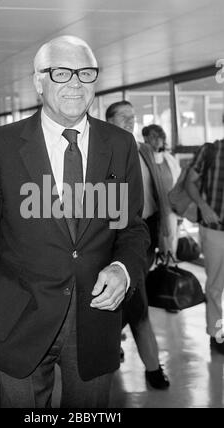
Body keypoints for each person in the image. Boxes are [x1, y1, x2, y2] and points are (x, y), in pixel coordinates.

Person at [0, 36, 149, 408]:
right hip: (18, 318)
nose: (76, 82)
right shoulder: (1, 145)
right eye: (61, 73)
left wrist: (123, 268)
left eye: (86, 73)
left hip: (96, 317)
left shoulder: (120, 144)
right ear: (38, 82)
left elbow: (131, 228)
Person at [106, 101, 170, 390]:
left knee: (130, 299)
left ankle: (113, 345)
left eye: (133, 117)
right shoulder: (103, 150)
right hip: (116, 242)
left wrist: (166, 234)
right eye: (124, 117)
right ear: (109, 121)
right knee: (134, 302)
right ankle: (152, 366)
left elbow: (158, 194)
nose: (131, 121)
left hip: (147, 234)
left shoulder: (144, 150)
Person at [186, 139, 224, 355]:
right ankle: (216, 333)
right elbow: (190, 182)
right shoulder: (211, 150)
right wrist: (203, 206)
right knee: (216, 287)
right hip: (215, 230)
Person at [143, 124, 181, 257]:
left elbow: (178, 184)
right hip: (149, 211)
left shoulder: (169, 159)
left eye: (160, 136)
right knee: (149, 246)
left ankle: (167, 271)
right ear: (145, 138)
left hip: (169, 208)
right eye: (153, 136)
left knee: (170, 244)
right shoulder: (143, 159)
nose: (157, 139)